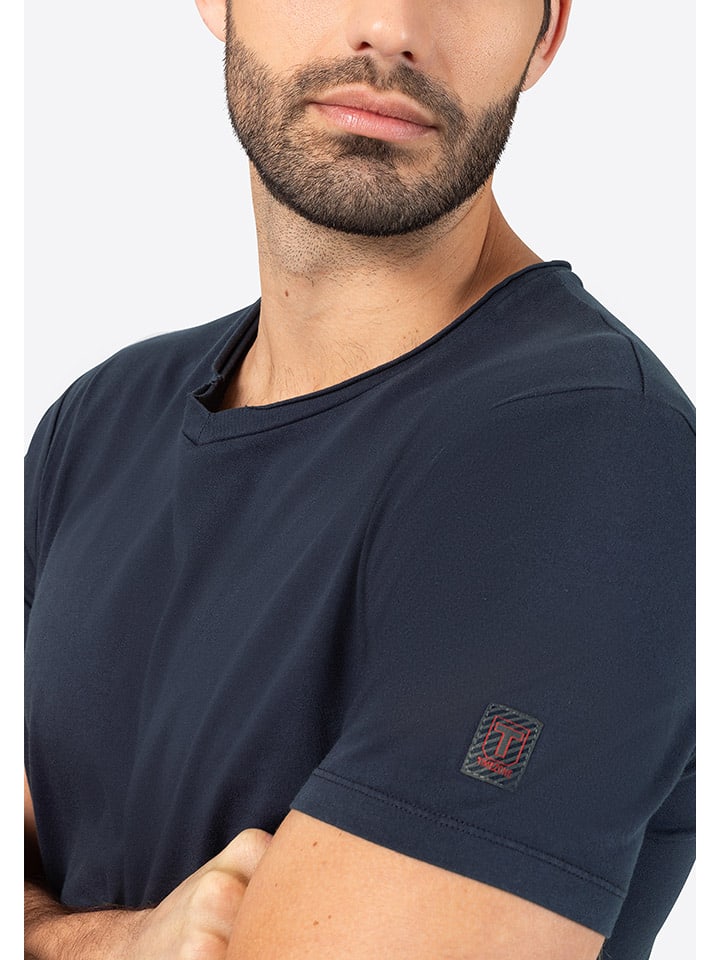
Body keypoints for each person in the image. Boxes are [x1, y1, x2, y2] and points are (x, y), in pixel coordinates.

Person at [24, 1, 695, 958]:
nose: (388, 24)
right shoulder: (100, 421)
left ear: (545, 33)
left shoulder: (594, 456)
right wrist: (105, 943)